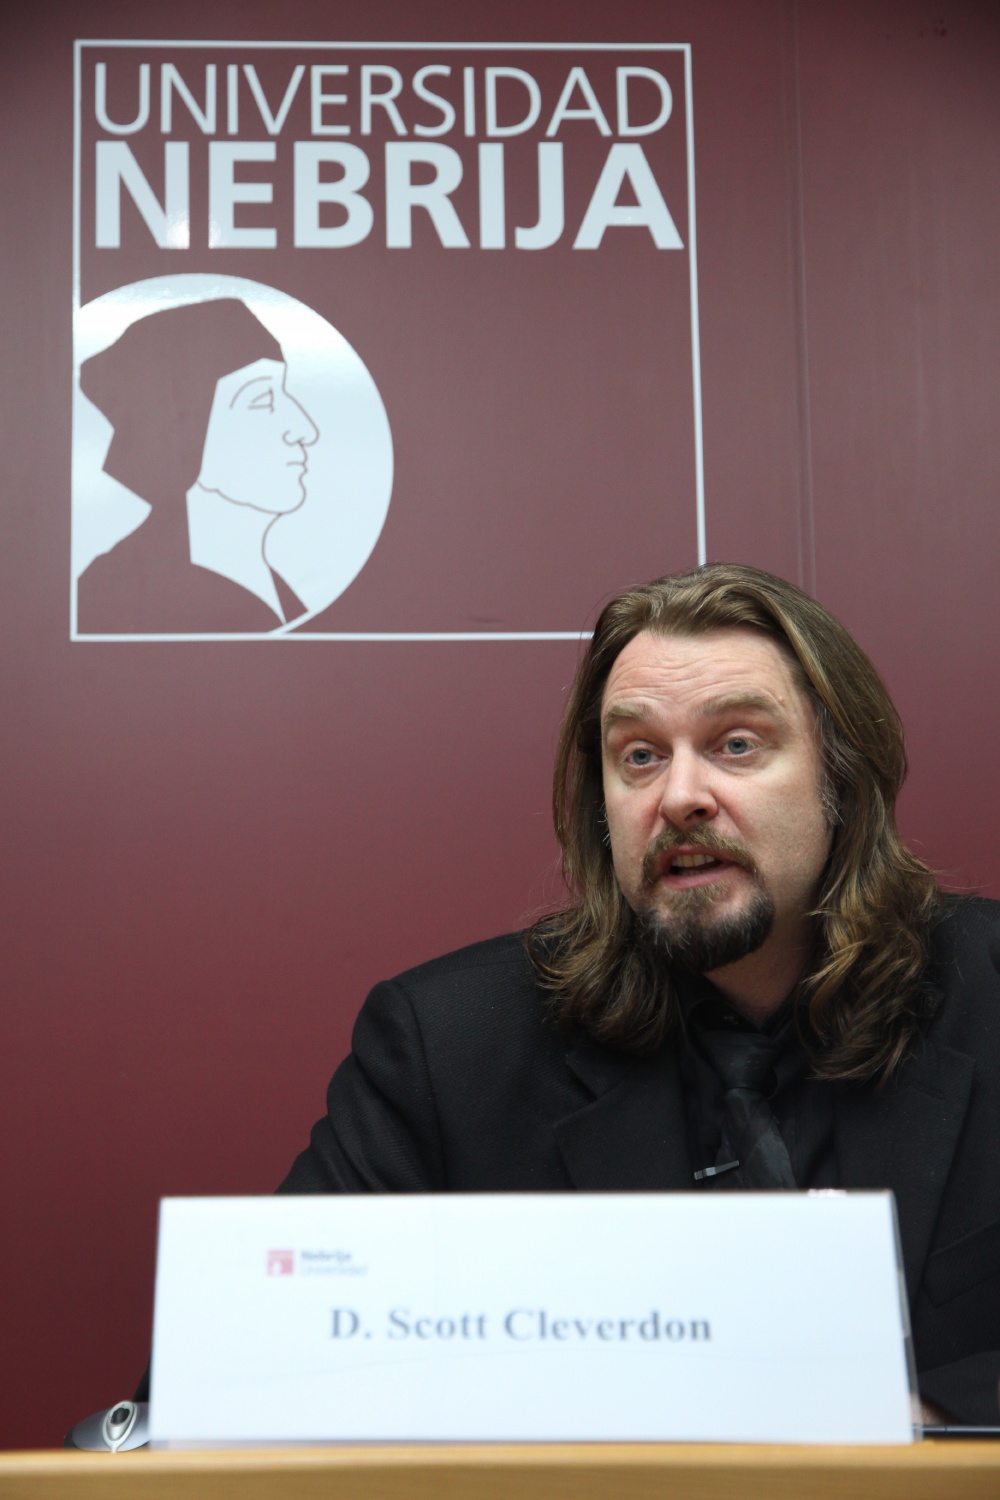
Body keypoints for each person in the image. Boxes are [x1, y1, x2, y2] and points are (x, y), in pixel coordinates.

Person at [279, 563, 1000, 1424]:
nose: (680, 797)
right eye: (640, 757)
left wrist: (924, 1425)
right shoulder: (447, 1047)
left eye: (737, 745)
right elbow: (255, 1375)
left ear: (841, 781)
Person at [76, 299, 318, 635]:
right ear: (183, 437)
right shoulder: (114, 598)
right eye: (263, 401)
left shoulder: (277, 593)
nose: (305, 430)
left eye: (284, 394)